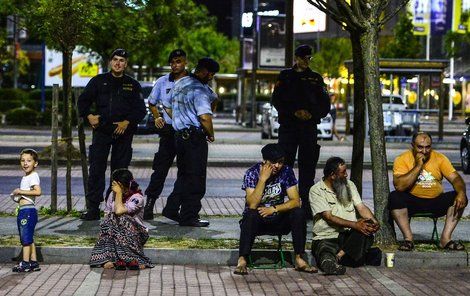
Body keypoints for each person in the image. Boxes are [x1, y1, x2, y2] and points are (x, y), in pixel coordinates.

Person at [78, 48, 146, 221]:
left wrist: (128, 122)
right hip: (102, 131)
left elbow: (140, 110)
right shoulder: (98, 81)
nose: (118, 63)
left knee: (120, 173)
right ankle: (93, 208)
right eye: (115, 59)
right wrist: (89, 116)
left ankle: (114, 207)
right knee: (96, 170)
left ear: (126, 64)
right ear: (110, 62)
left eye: (122, 60)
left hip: (123, 132)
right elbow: (83, 101)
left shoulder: (132, 84)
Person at [234, 143, 316, 275]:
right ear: (264, 161)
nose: (277, 166)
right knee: (250, 214)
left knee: (299, 213)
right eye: (273, 162)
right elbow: (252, 204)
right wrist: (262, 180)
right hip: (257, 221)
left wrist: (274, 209)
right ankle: (242, 259)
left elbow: (295, 202)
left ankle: (299, 258)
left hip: (278, 219)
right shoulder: (252, 173)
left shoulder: (286, 172)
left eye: (280, 162)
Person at [272, 44, 330, 220]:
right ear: (296, 58)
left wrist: (312, 114)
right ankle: (282, 207)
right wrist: (293, 112)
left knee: (307, 170)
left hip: (308, 128)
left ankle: (305, 209)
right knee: (283, 167)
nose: (306, 61)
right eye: (304, 57)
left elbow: (325, 104)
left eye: (309, 58)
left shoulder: (315, 78)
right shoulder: (285, 76)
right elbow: (277, 100)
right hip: (289, 127)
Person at [162, 57, 219, 227]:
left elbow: (166, 105)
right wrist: (211, 134)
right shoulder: (200, 91)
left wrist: (179, 120)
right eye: (211, 74)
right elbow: (204, 117)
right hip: (194, 138)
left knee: (184, 175)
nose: (211, 77)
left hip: (179, 136)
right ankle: (189, 216)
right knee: (196, 179)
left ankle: (171, 208)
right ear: (205, 72)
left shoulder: (181, 83)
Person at [389, 132, 468, 251]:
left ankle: (445, 239)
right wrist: (418, 165)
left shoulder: (440, 158)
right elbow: (399, 186)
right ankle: (408, 239)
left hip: (435, 201)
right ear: (412, 146)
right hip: (412, 201)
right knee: (394, 197)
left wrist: (461, 192)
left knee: (460, 196)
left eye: (428, 147)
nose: (424, 151)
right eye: (420, 147)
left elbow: (456, 178)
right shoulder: (402, 159)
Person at [309, 157, 380, 275]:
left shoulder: (350, 185)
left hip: (349, 235)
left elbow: (361, 207)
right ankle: (331, 262)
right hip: (327, 235)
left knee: (366, 229)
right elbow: (329, 217)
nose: (346, 175)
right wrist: (355, 224)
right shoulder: (316, 190)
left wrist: (374, 221)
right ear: (333, 175)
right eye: (343, 172)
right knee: (324, 249)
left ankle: (339, 255)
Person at [143, 49, 189, 220]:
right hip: (169, 133)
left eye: (178, 61)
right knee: (160, 170)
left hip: (186, 132)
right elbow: (152, 102)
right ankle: (149, 205)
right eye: (172, 62)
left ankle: (174, 207)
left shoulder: (192, 81)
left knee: (185, 172)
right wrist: (156, 117)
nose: (175, 65)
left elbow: (212, 99)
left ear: (185, 62)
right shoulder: (163, 81)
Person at [89, 168, 153, 270]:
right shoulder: (112, 195)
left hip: (135, 233)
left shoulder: (137, 197)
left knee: (122, 218)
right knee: (108, 220)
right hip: (115, 232)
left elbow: (119, 211)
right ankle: (108, 259)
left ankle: (134, 259)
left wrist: (118, 194)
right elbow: (107, 215)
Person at [10, 149, 42, 272]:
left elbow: (38, 192)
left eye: (29, 160)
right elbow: (27, 194)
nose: (25, 163)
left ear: (35, 163)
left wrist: (20, 191)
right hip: (25, 210)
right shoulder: (27, 177)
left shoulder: (33, 176)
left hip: (28, 211)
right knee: (29, 237)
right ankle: (33, 262)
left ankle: (25, 263)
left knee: (25, 239)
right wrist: (17, 197)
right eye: (23, 160)